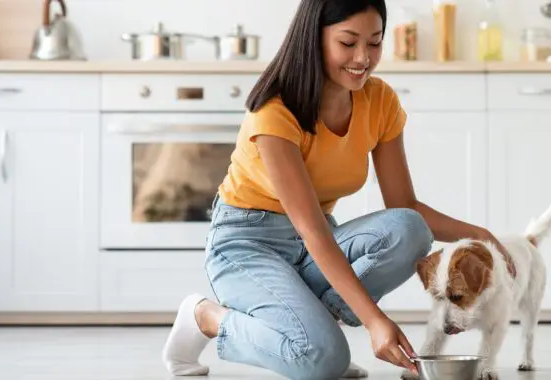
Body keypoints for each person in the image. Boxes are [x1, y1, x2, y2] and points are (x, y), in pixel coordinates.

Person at [161, 0, 508, 379]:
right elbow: (312, 230)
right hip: (248, 243)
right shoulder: (275, 110)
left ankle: (315, 331)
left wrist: (482, 235)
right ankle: (207, 317)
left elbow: (404, 206)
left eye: (374, 42)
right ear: (314, 38)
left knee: (410, 228)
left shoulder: (379, 101)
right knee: (323, 361)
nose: (363, 58)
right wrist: (375, 321)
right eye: (348, 42)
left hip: (313, 241)